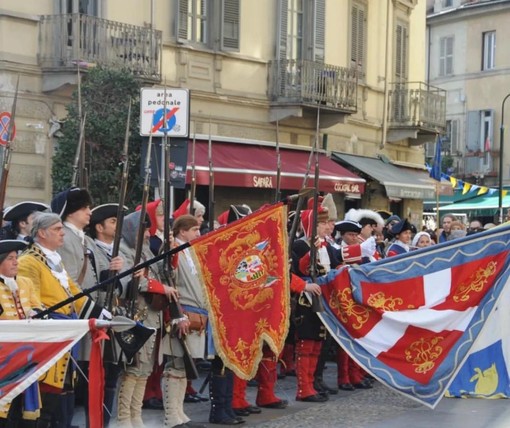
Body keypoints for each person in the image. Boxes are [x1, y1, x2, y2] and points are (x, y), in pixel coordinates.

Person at [17, 212, 107, 428]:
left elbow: (74, 293)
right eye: (57, 229)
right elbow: (33, 302)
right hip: (48, 339)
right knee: (45, 404)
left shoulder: (54, 261)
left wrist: (101, 315)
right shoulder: (29, 261)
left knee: (60, 397)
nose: (62, 233)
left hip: (66, 335)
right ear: (41, 233)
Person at [51, 187, 123, 426]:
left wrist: (109, 273)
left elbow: (90, 274)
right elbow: (69, 279)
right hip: (76, 313)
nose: (89, 212)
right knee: (70, 378)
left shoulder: (84, 238)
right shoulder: (67, 237)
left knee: (91, 375)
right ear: (71, 212)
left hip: (88, 310)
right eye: (84, 208)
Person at [117, 210, 180, 428]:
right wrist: (159, 287)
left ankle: (137, 416)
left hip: (153, 315)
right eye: (143, 228)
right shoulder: (124, 251)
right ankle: (124, 418)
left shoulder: (145, 250)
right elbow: (131, 279)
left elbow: (160, 273)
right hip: (135, 314)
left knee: (144, 370)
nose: (147, 233)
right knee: (133, 369)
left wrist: (169, 251)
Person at [161, 214, 208, 428]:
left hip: (195, 311)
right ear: (182, 231)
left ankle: (180, 413)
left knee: (184, 368)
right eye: (194, 229)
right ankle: (171, 416)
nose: (198, 233)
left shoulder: (190, 251)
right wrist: (177, 313)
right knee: (175, 365)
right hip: (181, 310)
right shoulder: (173, 250)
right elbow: (169, 279)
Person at [87, 203, 128, 426]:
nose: (117, 225)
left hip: (115, 315)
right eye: (112, 221)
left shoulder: (119, 250)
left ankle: (104, 420)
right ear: (99, 227)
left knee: (113, 372)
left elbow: (128, 287)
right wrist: (110, 273)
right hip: (99, 314)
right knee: (96, 374)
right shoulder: (91, 248)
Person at [0, 240, 42, 428]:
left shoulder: (25, 282)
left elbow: (36, 306)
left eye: (16, 258)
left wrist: (35, 313)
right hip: (4, 357)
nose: (16, 262)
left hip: (27, 354)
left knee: (23, 406)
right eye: (10, 259)